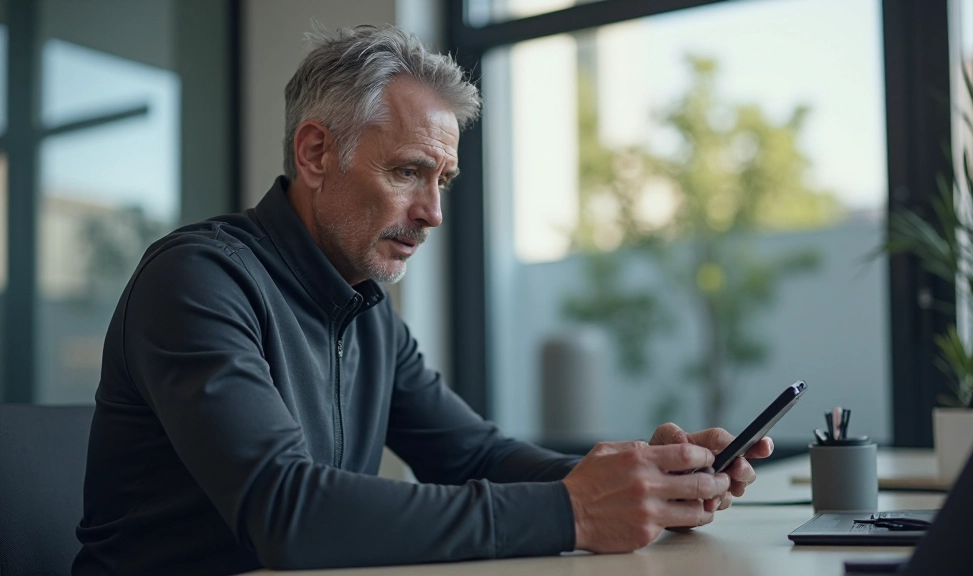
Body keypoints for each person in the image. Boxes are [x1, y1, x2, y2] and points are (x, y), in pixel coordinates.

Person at [72, 25, 772, 575]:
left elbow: (473, 455)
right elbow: (287, 512)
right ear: (316, 153)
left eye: (444, 181)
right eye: (409, 172)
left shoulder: (365, 308)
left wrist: (645, 482)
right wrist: (576, 511)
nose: (432, 213)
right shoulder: (198, 280)